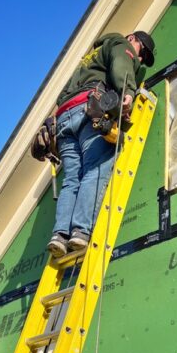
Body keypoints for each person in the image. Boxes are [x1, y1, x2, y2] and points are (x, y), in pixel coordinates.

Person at [38, 31, 156, 257]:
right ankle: (80, 230)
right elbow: (122, 63)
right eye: (143, 53)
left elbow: (62, 95)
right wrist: (127, 91)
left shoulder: (90, 57)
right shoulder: (121, 44)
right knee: (95, 169)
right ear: (133, 39)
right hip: (90, 110)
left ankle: (59, 235)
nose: (140, 60)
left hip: (64, 117)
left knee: (72, 178)